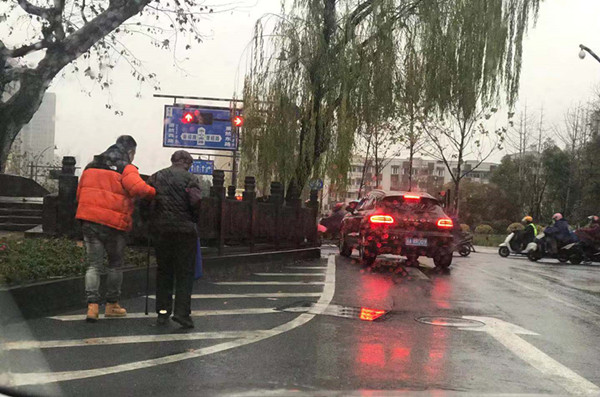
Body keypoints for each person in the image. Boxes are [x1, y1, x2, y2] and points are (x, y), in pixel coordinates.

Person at [76, 135, 156, 322]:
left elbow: (80, 193)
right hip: (114, 224)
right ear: (130, 152)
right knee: (114, 264)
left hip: (89, 221)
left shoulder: (91, 166)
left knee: (93, 265)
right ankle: (112, 305)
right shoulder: (125, 168)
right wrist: (154, 193)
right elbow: (140, 190)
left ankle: (92, 307)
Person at [147, 150, 202, 329]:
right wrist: (194, 219)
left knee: (164, 271)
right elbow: (195, 202)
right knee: (184, 273)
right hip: (185, 232)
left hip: (162, 231)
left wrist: (151, 221)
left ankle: (162, 313)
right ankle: (182, 314)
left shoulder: (156, 177)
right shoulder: (191, 179)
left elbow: (147, 201)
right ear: (186, 162)